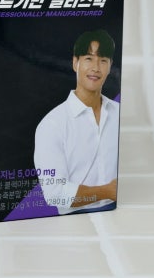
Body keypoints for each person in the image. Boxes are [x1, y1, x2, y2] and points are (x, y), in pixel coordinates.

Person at [34, 29, 119, 215]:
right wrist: (107, 191)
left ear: (110, 66)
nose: (96, 67)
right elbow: (55, 194)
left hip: (120, 212)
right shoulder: (52, 124)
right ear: (75, 63)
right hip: (74, 219)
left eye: (103, 60)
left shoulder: (118, 113)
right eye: (89, 58)